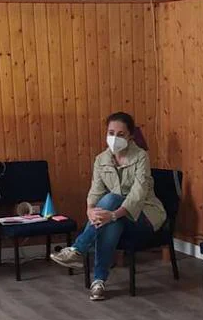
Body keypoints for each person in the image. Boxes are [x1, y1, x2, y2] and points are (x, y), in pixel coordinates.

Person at [50, 112, 167, 300]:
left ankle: (78, 250)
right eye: (111, 133)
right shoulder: (101, 159)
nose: (114, 138)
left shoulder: (141, 156)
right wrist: (90, 210)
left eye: (120, 134)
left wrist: (111, 215)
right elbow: (95, 190)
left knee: (111, 202)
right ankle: (98, 283)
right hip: (118, 219)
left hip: (144, 216)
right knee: (109, 219)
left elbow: (138, 195)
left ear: (130, 136)